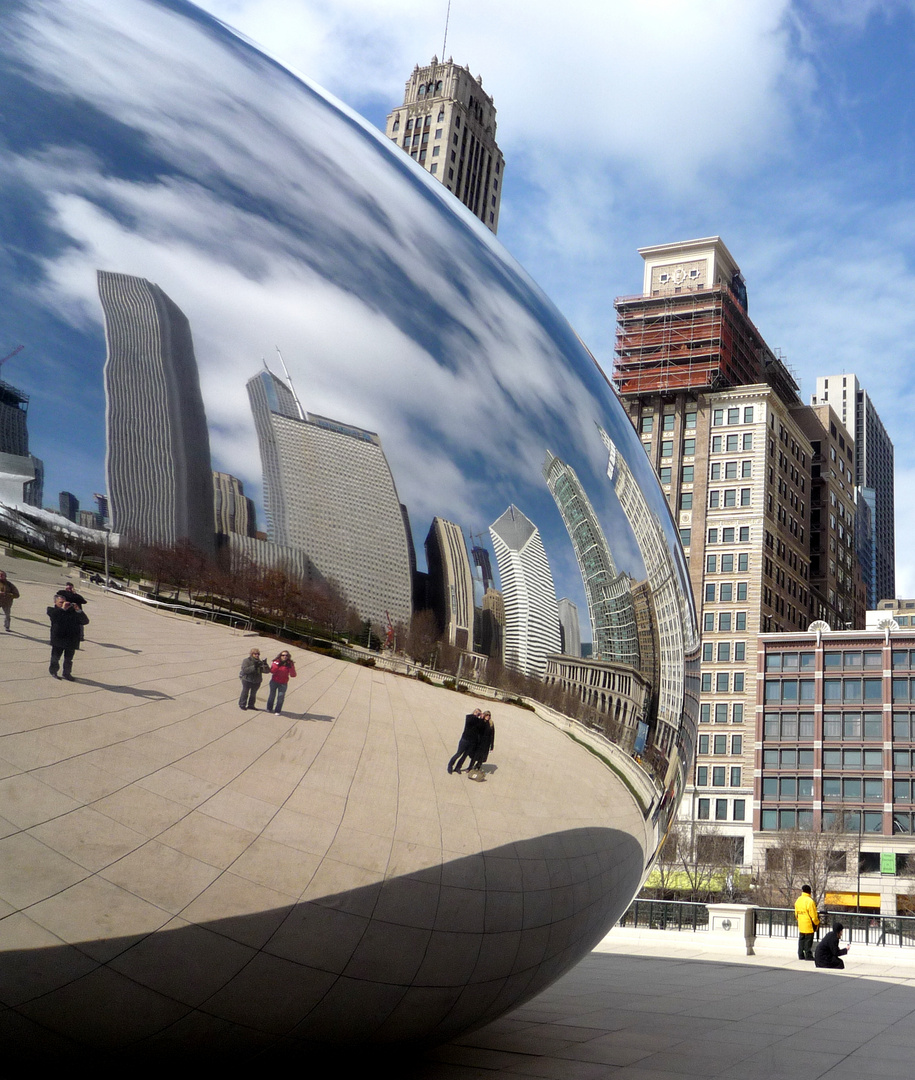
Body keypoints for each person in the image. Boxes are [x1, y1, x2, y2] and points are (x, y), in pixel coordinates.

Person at [47, 594, 88, 680]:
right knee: (55, 657)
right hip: (59, 639)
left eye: (64, 602)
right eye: (60, 602)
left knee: (68, 659)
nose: (63, 604)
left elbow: (85, 621)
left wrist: (78, 610)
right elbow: (54, 617)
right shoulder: (52, 610)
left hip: (71, 640)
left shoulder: (73, 611)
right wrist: (63, 609)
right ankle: (53, 671)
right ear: (55, 602)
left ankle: (67, 673)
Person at [447, 708, 485, 774]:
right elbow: (470, 721)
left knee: (465, 756)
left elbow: (481, 727)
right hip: (465, 740)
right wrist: (475, 715)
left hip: (472, 742)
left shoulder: (478, 721)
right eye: (476, 712)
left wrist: (482, 718)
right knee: (458, 754)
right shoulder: (469, 717)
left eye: (478, 713)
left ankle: (458, 767)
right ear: (473, 712)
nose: (477, 713)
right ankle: (450, 766)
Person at [794, 884, 819, 961]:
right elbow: (813, 915)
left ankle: (800, 954)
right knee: (808, 940)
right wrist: (817, 922)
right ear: (809, 892)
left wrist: (799, 919)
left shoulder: (798, 900)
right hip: (808, 923)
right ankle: (808, 955)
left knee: (801, 939)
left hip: (801, 922)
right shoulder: (810, 901)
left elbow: (796, 913)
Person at [467, 711, 495, 779]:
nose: (488, 717)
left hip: (486, 743)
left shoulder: (491, 723)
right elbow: (477, 728)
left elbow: (492, 735)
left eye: (489, 715)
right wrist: (482, 719)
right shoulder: (481, 721)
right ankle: (470, 767)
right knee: (475, 755)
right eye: (486, 715)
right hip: (479, 742)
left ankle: (477, 767)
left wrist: (492, 745)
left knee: (482, 757)